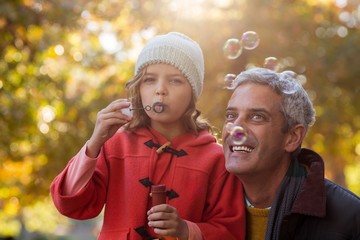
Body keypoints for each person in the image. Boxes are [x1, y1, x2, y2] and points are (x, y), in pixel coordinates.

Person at [50, 32, 245, 240]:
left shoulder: (216, 158)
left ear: (193, 93)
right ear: (138, 89)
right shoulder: (115, 144)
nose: (160, 90)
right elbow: (71, 204)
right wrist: (94, 143)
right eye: (149, 80)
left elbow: (230, 232)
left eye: (176, 81)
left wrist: (187, 230)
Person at [222, 67, 360, 240]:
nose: (236, 127)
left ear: (292, 137)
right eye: (230, 115)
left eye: (257, 116)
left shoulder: (350, 218)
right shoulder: (205, 203)